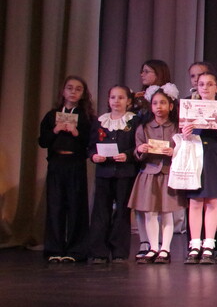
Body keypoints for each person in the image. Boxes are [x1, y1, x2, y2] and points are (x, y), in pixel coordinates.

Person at [38, 76, 95, 263]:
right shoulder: (51, 115)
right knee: (55, 206)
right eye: (69, 88)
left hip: (75, 164)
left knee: (76, 206)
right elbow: (42, 141)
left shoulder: (86, 117)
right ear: (63, 91)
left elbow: (91, 143)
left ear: (83, 94)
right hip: (56, 163)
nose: (73, 92)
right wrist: (55, 130)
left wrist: (76, 132)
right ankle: (54, 249)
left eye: (78, 89)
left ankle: (76, 250)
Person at [181, 72, 217, 264]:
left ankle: (209, 245)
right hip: (195, 157)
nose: (205, 87)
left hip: (213, 156)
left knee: (212, 201)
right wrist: (185, 133)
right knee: (195, 201)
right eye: (201, 84)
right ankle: (195, 244)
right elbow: (182, 136)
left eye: (210, 84)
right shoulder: (189, 108)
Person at [128, 83, 184, 264]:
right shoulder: (144, 127)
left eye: (163, 103)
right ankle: (153, 247)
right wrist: (141, 149)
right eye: (155, 103)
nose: (159, 107)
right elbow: (137, 151)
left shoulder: (176, 127)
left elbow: (184, 149)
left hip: (168, 173)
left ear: (171, 106)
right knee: (150, 212)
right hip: (149, 173)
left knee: (166, 212)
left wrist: (174, 152)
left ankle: (165, 249)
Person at [87, 85, 139, 263]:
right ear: (108, 100)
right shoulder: (100, 121)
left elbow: (138, 145)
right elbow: (91, 146)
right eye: (113, 97)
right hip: (104, 172)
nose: (116, 101)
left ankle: (119, 251)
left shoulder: (133, 121)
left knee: (122, 212)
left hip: (125, 172)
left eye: (121, 98)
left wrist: (128, 155)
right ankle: (99, 251)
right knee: (101, 211)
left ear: (128, 101)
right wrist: (94, 156)